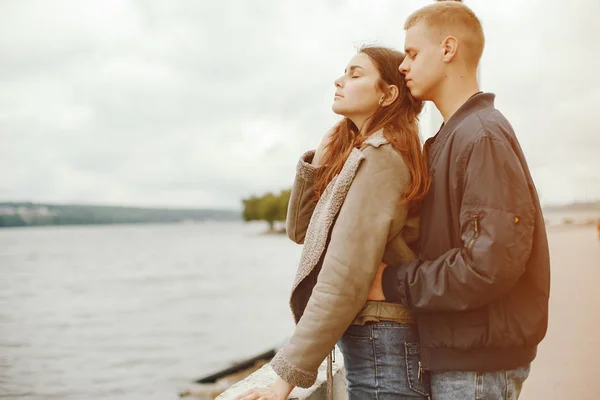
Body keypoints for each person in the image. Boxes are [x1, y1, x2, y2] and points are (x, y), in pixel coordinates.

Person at [367, 2, 551, 399]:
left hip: (478, 362)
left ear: (448, 49)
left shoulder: (481, 135)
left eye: (413, 54)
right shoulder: (453, 137)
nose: (402, 66)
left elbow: (489, 265)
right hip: (463, 354)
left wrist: (393, 282)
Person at [235, 46, 431, 400]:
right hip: (374, 345)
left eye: (355, 75)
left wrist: (282, 384)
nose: (339, 81)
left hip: (382, 347)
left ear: (388, 94)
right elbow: (302, 232)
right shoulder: (361, 153)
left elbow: (343, 276)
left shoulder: (383, 158)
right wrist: (320, 159)